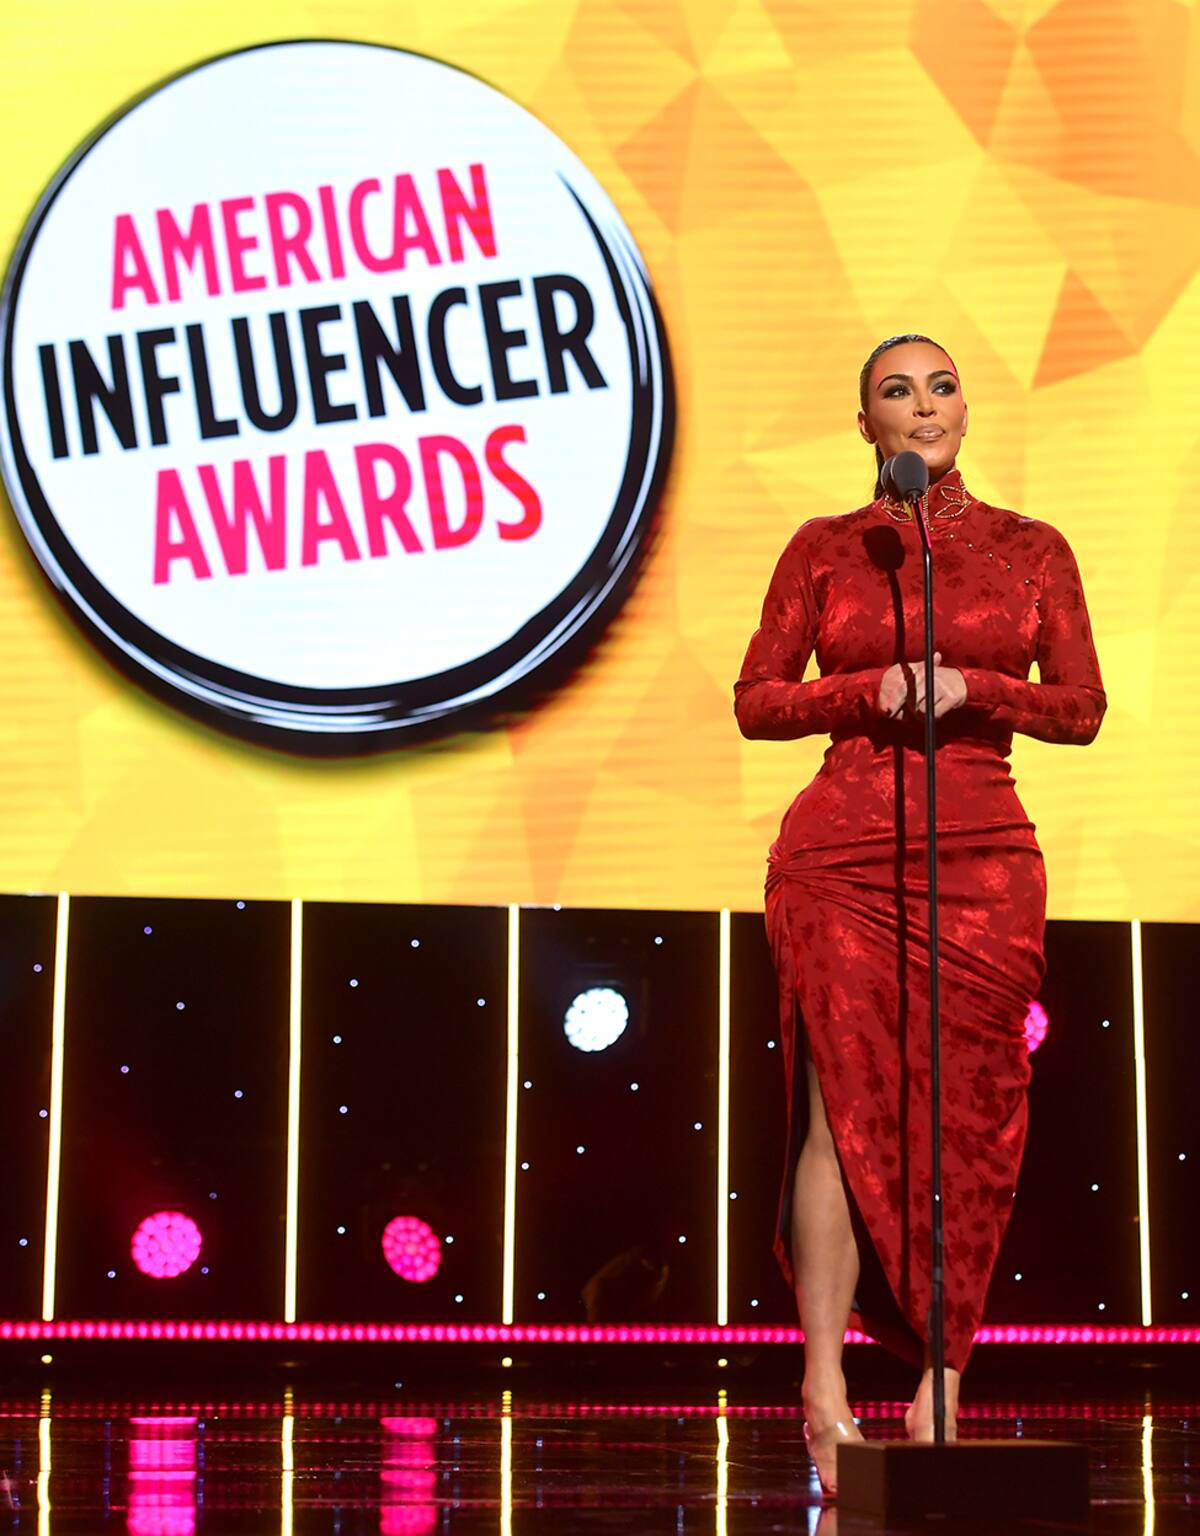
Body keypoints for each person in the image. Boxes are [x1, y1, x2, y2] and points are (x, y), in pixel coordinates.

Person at [733, 335, 1105, 1497]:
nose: (924, 404)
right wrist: (868, 690)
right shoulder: (828, 550)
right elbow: (755, 700)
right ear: (868, 426)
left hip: (985, 865)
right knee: (841, 1120)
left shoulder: (1033, 549)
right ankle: (825, 1387)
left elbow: (1083, 707)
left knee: (975, 1124)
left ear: (964, 410)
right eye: (897, 390)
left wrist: (976, 687)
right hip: (842, 859)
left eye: (941, 385)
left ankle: (944, 1377)